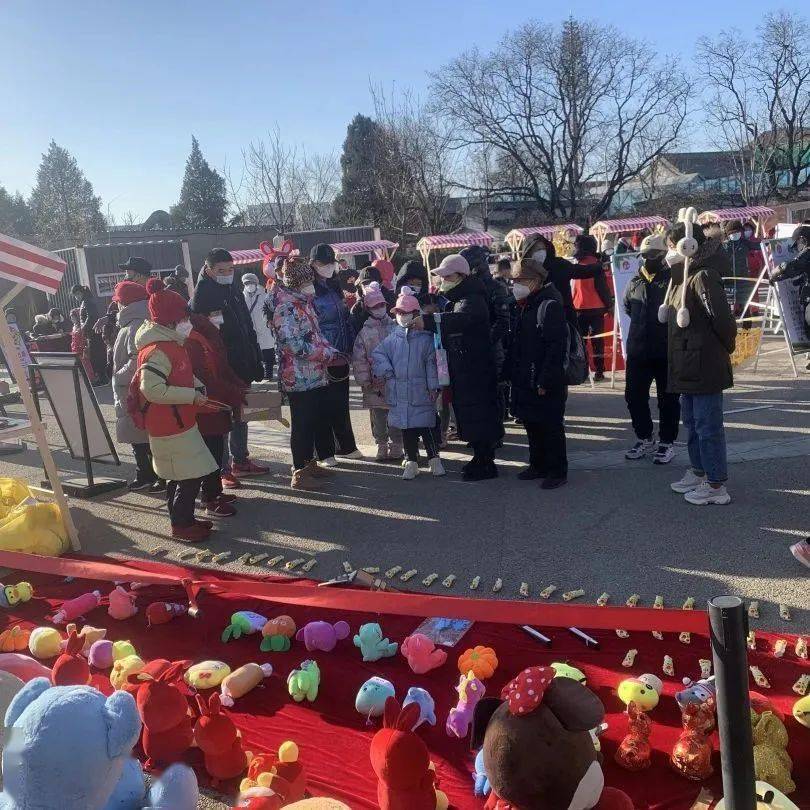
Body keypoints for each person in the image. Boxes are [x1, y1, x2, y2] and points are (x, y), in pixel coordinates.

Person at [132, 279, 218, 541]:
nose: (187, 321)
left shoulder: (170, 344)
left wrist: (197, 388)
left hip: (178, 420)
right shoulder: (158, 349)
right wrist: (191, 395)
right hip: (170, 424)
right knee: (188, 475)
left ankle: (185, 520)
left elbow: (178, 376)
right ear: (171, 319)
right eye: (183, 316)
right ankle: (181, 525)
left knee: (180, 475)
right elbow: (152, 390)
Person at [664, 221, 737, 506]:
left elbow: (722, 321)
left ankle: (716, 484)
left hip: (704, 363)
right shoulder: (682, 275)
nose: (669, 252)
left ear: (688, 246)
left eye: (672, 246)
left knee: (708, 426)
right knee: (693, 424)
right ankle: (699, 471)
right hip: (687, 363)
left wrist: (723, 349)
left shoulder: (703, 276)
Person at [421, 254, 503, 481]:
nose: (443, 280)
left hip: (475, 368)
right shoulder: (463, 296)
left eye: (447, 276)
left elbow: (459, 320)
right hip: (466, 366)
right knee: (470, 412)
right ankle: (479, 457)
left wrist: (429, 321)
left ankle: (486, 462)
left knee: (479, 413)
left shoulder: (472, 298)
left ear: (460, 275)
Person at [191, 248, 268, 483]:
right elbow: (205, 337)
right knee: (222, 417)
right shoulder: (203, 296)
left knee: (240, 413)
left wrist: (255, 358)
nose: (227, 274)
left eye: (230, 269)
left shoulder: (233, 288)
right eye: (221, 270)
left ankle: (240, 459)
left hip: (242, 360)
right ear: (208, 269)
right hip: (221, 366)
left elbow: (246, 324)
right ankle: (223, 468)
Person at [266, 255, 339, 490]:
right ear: (296, 283)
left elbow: (314, 335)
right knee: (303, 424)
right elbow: (292, 344)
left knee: (314, 419)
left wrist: (329, 349)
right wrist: (324, 354)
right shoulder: (286, 306)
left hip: (313, 373)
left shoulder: (303, 302)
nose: (312, 285)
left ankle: (309, 462)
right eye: (308, 281)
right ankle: (299, 471)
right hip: (298, 376)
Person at [509, 254, 568, 488]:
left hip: (545, 377)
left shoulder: (549, 304)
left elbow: (556, 347)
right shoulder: (525, 305)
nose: (516, 285)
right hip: (526, 375)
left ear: (535, 281)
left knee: (551, 425)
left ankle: (557, 470)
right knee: (532, 423)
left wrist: (546, 379)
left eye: (520, 280)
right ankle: (538, 464)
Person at [372, 286, 444, 480]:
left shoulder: (426, 338)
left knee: (426, 426)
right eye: (399, 312)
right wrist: (387, 372)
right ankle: (411, 461)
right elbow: (378, 354)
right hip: (399, 392)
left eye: (406, 312)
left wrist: (432, 386)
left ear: (415, 313)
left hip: (420, 391)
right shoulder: (392, 338)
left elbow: (431, 363)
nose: (402, 316)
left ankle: (434, 458)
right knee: (407, 430)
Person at [622, 234, 680, 464]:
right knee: (634, 396)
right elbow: (628, 307)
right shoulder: (634, 281)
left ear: (663, 255)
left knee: (667, 399)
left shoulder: (673, 279)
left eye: (652, 256)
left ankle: (667, 442)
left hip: (665, 350)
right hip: (638, 350)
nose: (647, 260)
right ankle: (645, 438)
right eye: (644, 256)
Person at [185, 314, 246, 516]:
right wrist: (232, 391)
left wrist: (237, 385)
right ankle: (209, 498)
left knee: (216, 451)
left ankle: (214, 493)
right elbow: (205, 378)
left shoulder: (204, 338)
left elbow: (220, 367)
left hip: (215, 405)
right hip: (205, 407)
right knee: (209, 454)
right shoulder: (191, 341)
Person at [310, 243, 360, 464]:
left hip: (340, 352)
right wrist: (323, 350)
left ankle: (346, 445)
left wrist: (348, 346)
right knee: (323, 404)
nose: (328, 267)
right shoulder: (309, 290)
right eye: (323, 263)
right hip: (322, 355)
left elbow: (344, 317)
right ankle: (325, 451)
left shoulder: (334, 286)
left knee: (340, 401)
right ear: (312, 264)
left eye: (331, 262)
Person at [111, 279, 163, 492]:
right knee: (141, 438)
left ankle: (153, 475)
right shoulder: (138, 321)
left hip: (134, 390)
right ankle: (146, 474)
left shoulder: (135, 324)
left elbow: (137, 359)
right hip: (136, 390)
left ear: (126, 303)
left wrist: (118, 376)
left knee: (144, 437)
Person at [351, 282, 402, 462]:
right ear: (368, 308)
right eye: (375, 306)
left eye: (381, 305)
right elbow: (359, 360)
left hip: (395, 380)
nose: (379, 308)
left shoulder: (396, 327)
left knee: (396, 415)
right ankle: (381, 444)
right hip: (374, 383)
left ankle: (397, 444)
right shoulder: (364, 333)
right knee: (379, 416)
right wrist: (365, 382)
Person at [569, 235, 614, 382]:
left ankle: (583, 371)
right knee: (597, 342)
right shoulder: (597, 265)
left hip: (578, 308)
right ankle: (599, 371)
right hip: (597, 308)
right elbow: (602, 288)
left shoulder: (575, 265)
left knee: (581, 342)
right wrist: (609, 305)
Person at [71, 284, 108, 385]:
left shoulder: (87, 301)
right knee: (95, 354)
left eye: (77, 294)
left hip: (93, 332)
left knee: (97, 355)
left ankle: (102, 377)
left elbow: (91, 316)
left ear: (81, 292)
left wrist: (83, 328)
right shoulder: (87, 301)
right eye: (75, 295)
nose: (76, 297)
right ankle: (101, 376)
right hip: (91, 332)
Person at [242, 272, 276, 380]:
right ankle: (258, 373)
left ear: (256, 283)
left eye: (251, 282)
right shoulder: (242, 297)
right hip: (251, 330)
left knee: (268, 353)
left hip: (264, 329)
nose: (249, 285)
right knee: (255, 353)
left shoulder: (265, 295)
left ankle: (268, 373)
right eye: (247, 283)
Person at [351, 265, 396, 334]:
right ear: (361, 286)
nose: (369, 286)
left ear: (380, 284)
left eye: (372, 283)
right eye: (365, 284)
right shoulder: (357, 308)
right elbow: (354, 332)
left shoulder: (391, 300)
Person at [721, 220, 749, 317]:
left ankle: (747, 329)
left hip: (743, 279)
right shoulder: (724, 246)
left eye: (737, 232)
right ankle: (730, 327)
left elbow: (759, 246)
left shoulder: (745, 243)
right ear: (728, 234)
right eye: (732, 233)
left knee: (745, 306)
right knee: (728, 306)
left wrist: (767, 243)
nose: (735, 234)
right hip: (728, 280)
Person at [69, 306, 96, 382]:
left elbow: (85, 338)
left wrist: (85, 348)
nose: (72, 319)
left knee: (86, 365)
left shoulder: (82, 326)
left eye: (73, 317)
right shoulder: (74, 327)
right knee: (79, 366)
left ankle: (91, 380)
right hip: (75, 349)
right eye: (71, 317)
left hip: (82, 349)